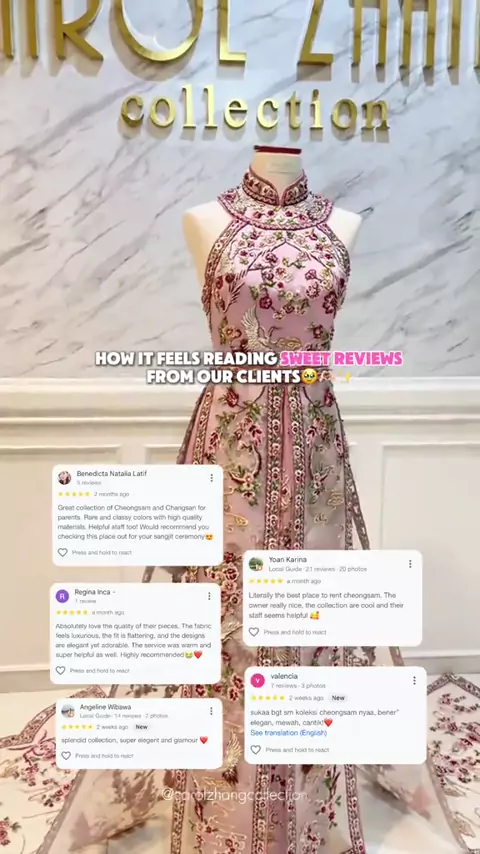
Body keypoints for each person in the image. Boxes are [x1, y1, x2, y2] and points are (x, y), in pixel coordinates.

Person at [40, 163, 461, 854]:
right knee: (225, 623)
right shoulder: (207, 221)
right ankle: (226, 819)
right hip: (232, 448)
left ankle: (300, 814)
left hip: (316, 453)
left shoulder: (338, 224)